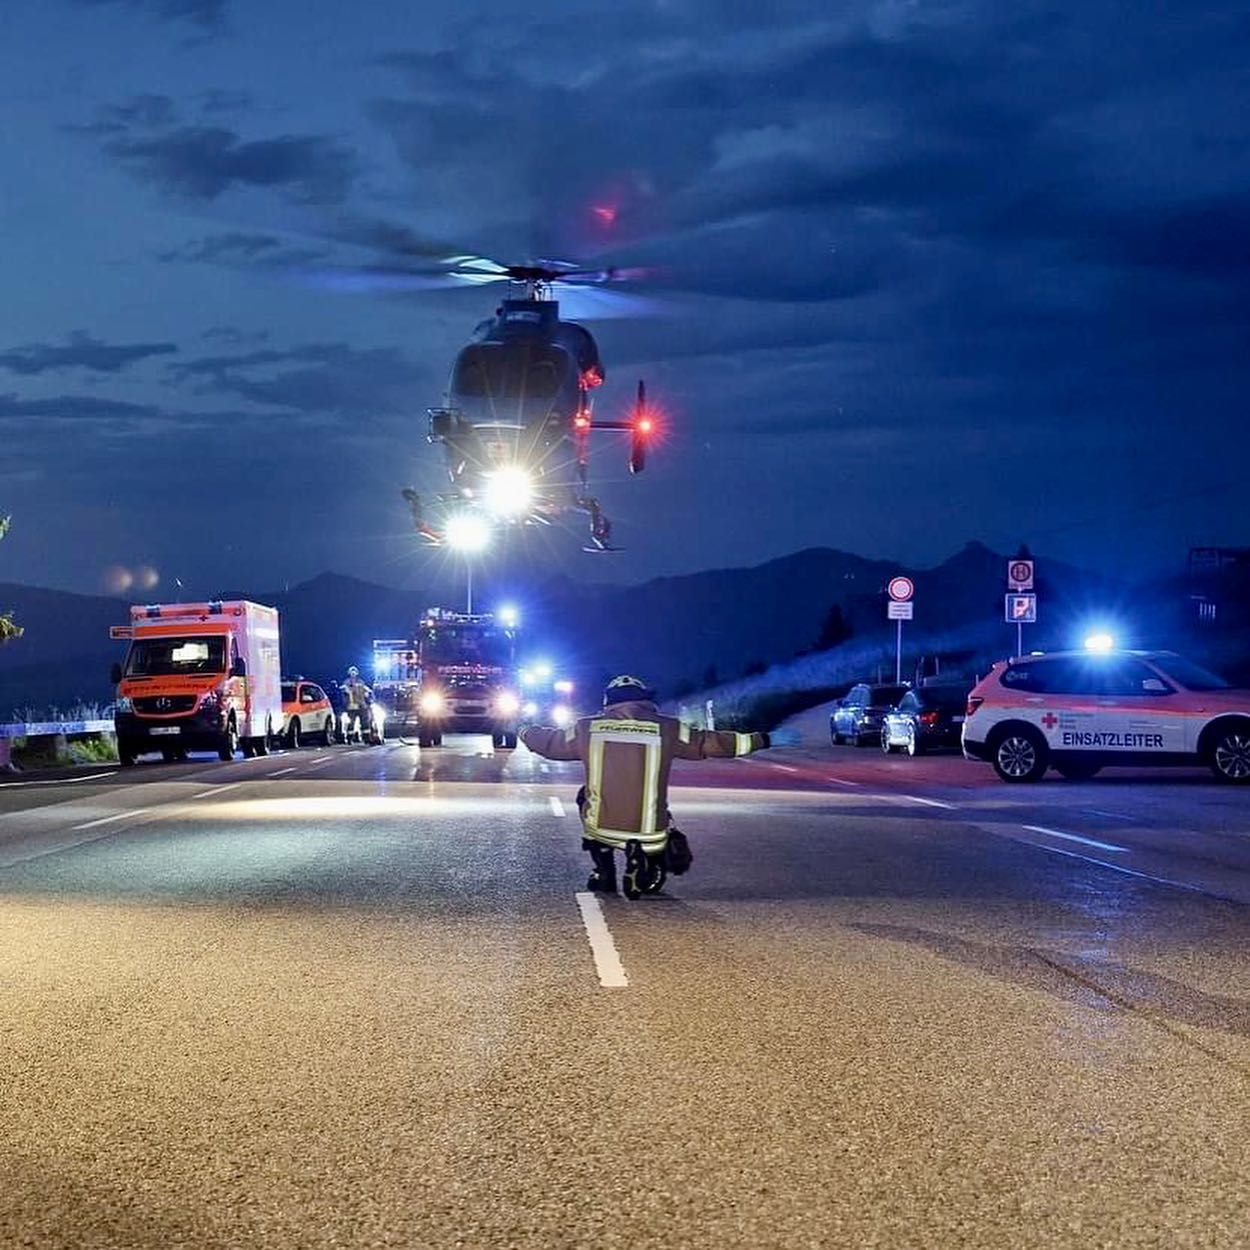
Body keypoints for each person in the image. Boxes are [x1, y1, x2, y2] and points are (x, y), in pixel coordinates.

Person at [520, 674, 772, 899]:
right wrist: (762, 739)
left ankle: (604, 873)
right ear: (646, 701)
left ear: (608, 703)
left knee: (583, 798)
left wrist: (523, 731)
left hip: (601, 828)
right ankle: (641, 862)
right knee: (653, 826)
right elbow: (712, 743)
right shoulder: (669, 728)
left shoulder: (587, 728)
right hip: (651, 832)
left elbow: (550, 743)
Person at [341, 665, 374, 743]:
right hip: (352, 706)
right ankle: (349, 739)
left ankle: (366, 738)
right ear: (349, 673)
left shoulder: (361, 682)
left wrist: (368, 695)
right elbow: (344, 693)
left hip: (362, 705)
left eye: (354, 672)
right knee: (351, 723)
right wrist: (346, 704)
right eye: (352, 672)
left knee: (365, 723)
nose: (353, 673)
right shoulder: (346, 682)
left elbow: (366, 691)